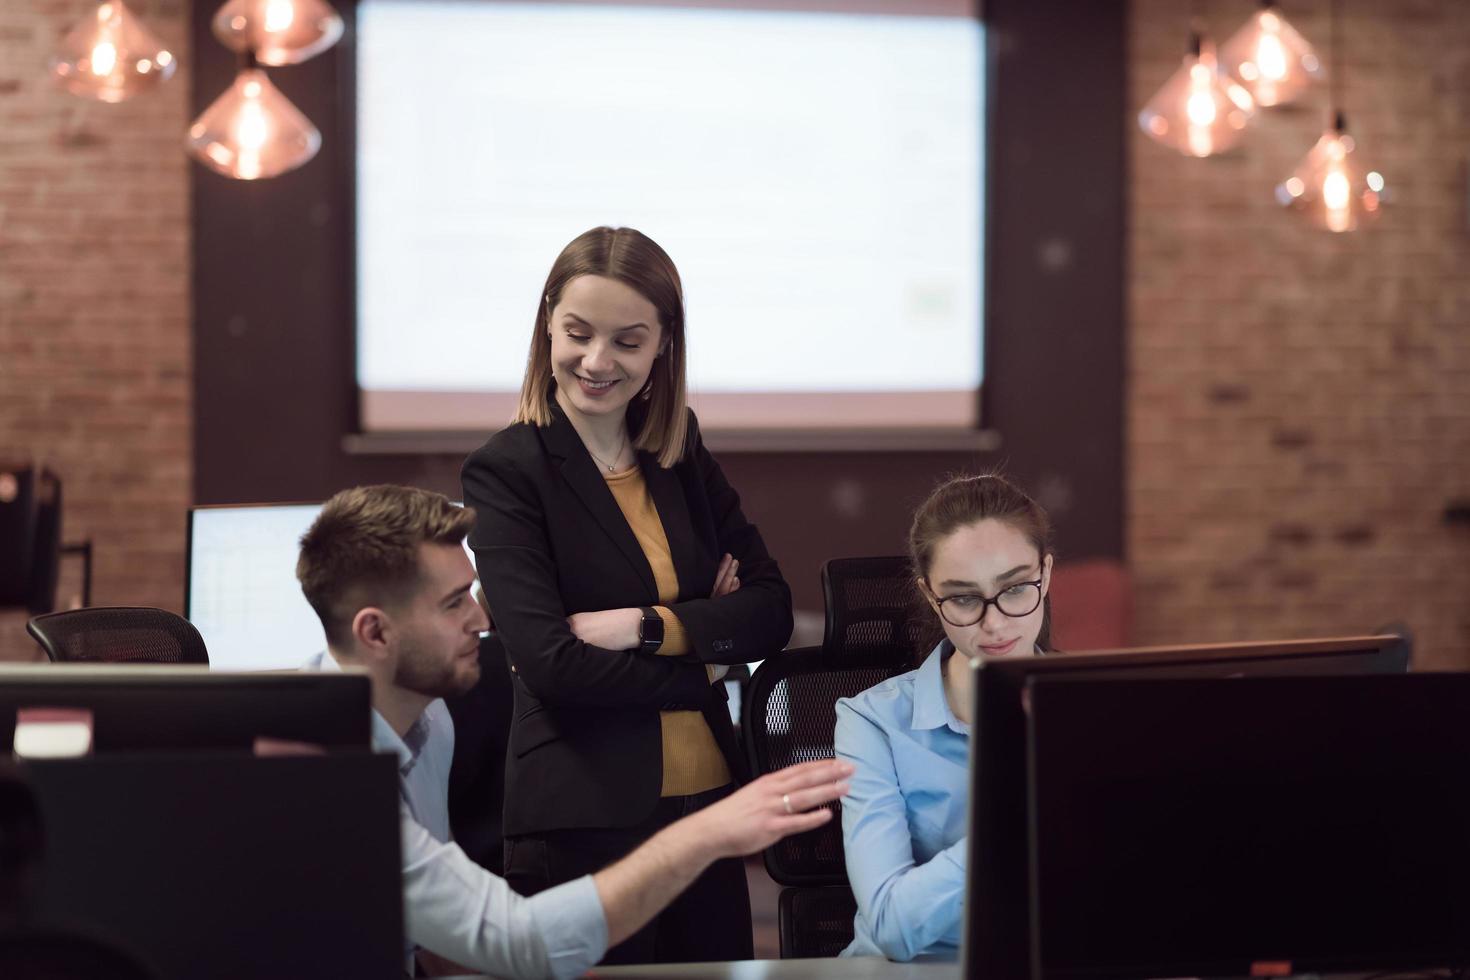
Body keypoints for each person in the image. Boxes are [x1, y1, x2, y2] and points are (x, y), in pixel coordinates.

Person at [295, 485, 846, 979]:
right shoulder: (327, 772)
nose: (482, 621)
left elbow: (433, 934)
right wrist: (709, 833)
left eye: (471, 593)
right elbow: (516, 938)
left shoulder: (427, 720)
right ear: (375, 631)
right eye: (452, 604)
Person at [459, 227, 793, 963]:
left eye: (628, 341)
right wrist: (704, 649)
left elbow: (769, 608)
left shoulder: (678, 450)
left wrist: (644, 626)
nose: (597, 361)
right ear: (547, 320)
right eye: (577, 333)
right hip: (582, 816)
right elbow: (550, 665)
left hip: (709, 808)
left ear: (664, 345)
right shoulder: (507, 472)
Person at [834, 474, 1054, 961]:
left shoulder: (1095, 711)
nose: (994, 624)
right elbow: (890, 925)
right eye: (963, 599)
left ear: (1047, 574)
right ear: (932, 597)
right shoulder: (872, 722)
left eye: (1016, 589)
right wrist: (1020, 820)